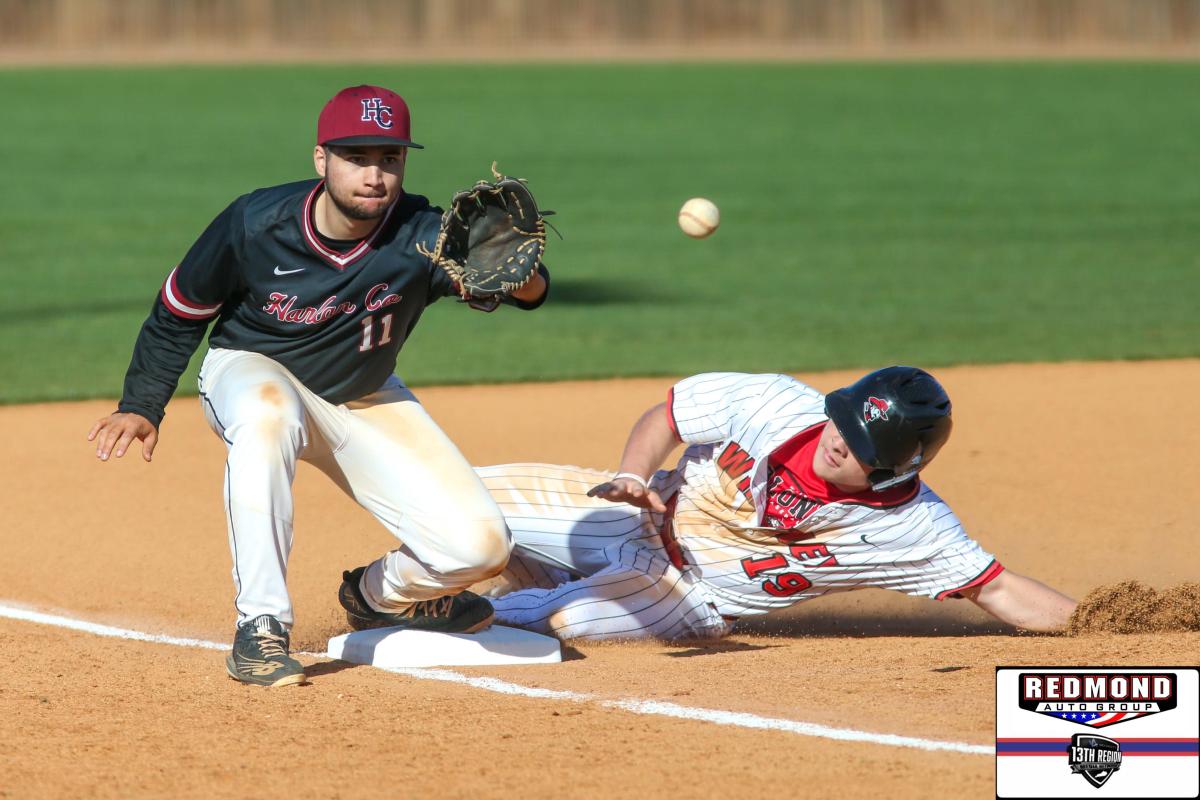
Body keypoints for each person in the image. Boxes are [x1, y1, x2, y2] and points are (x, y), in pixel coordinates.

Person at [87, 85, 549, 687]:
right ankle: (260, 628)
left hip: (363, 394)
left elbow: (528, 293)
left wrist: (520, 272)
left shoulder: (423, 233)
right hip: (251, 371)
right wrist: (142, 404)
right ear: (321, 159)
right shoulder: (255, 223)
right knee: (268, 415)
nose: (375, 175)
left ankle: (378, 596)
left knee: (480, 549)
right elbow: (180, 312)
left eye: (389, 158)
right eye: (357, 157)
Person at [473, 367, 1077, 641]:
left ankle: (468, 605)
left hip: (687, 598)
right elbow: (667, 417)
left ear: (894, 471)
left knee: (559, 618)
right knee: (465, 497)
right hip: (643, 515)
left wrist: (1105, 624)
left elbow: (999, 589)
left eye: (862, 447)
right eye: (843, 422)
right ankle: (518, 569)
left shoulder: (912, 527)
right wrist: (632, 474)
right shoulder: (773, 403)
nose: (839, 442)